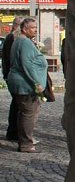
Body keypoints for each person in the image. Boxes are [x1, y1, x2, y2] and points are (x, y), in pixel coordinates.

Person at [7, 17, 48, 154]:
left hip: (20, 82)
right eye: (33, 28)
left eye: (36, 28)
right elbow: (27, 65)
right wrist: (37, 83)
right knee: (28, 114)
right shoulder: (24, 43)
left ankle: (23, 140)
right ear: (25, 29)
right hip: (25, 85)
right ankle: (26, 143)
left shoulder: (20, 41)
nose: (35, 30)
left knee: (23, 113)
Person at [2, 15, 24, 142]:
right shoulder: (12, 38)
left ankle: (13, 131)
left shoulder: (13, 37)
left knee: (16, 104)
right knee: (17, 104)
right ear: (16, 25)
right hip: (12, 75)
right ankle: (13, 132)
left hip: (10, 74)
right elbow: (12, 58)